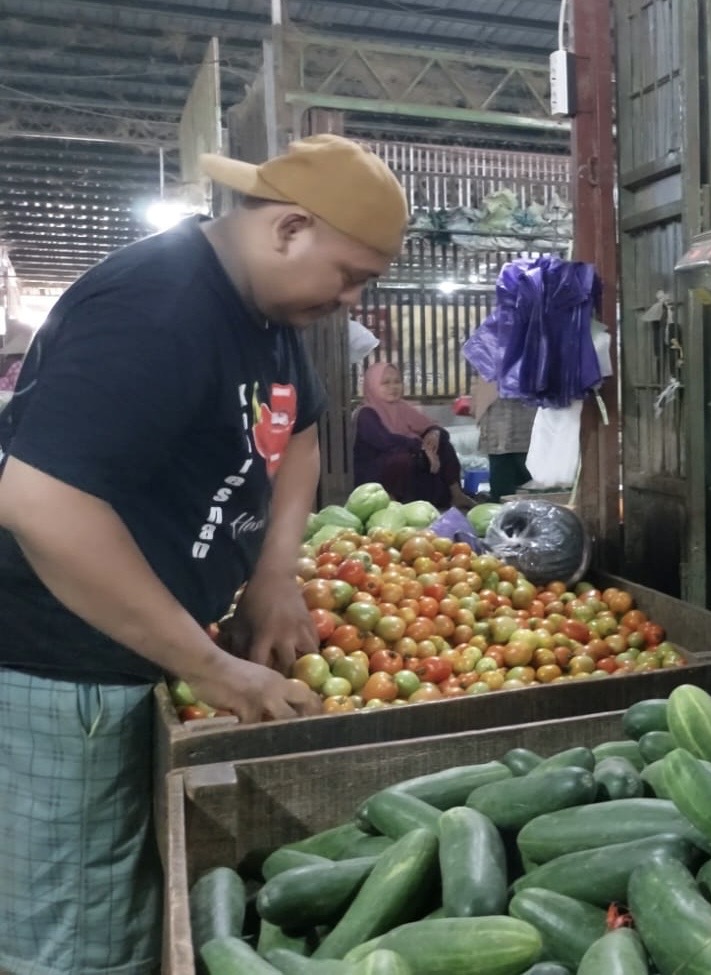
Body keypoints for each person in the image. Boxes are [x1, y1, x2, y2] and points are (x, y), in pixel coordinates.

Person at [0, 133, 406, 975]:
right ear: (289, 228)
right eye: (351, 275)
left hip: (137, 656)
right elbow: (39, 502)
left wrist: (271, 572)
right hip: (60, 663)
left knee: (123, 897)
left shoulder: (261, 309)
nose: (351, 301)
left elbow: (297, 433)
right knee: (78, 932)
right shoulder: (157, 305)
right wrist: (212, 668)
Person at [354, 361, 476, 511]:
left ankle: (456, 495)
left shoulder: (403, 407)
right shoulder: (366, 413)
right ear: (372, 386)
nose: (393, 387)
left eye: (397, 382)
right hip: (377, 470)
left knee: (442, 444)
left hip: (411, 456)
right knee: (402, 457)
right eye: (385, 383)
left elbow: (431, 427)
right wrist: (421, 446)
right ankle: (392, 503)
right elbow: (385, 441)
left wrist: (434, 433)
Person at [473, 374, 537, 500]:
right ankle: (502, 505)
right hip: (496, 405)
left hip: (527, 402)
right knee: (501, 464)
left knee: (528, 461)